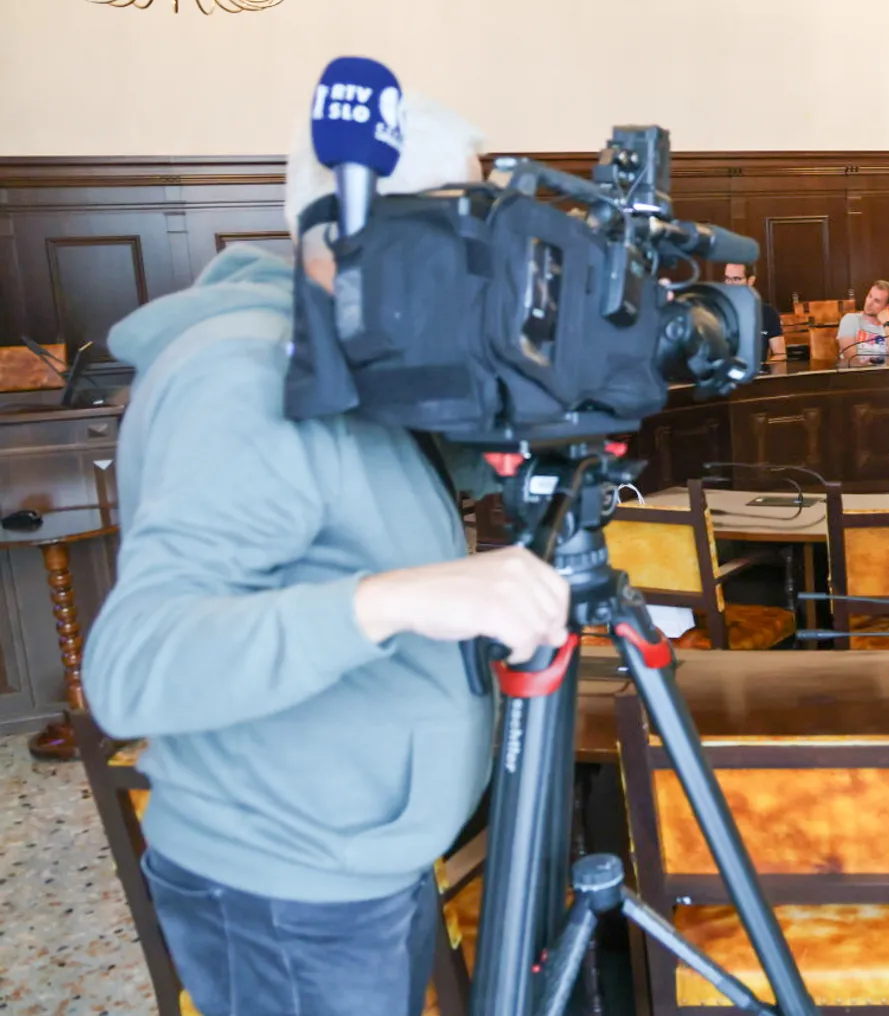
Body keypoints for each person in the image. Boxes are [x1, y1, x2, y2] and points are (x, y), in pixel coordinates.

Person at [80, 94, 573, 1016]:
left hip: (357, 851)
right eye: (462, 226)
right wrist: (399, 599)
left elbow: (353, 494)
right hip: (286, 886)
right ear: (356, 226)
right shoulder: (242, 376)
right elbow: (133, 665)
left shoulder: (352, 350)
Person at [723, 262, 786, 361]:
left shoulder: (767, 313)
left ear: (750, 281)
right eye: (727, 278)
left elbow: (780, 354)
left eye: (736, 279)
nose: (730, 284)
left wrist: (764, 368)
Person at [836, 279, 889, 357]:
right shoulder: (850, 320)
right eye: (870, 296)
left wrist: (887, 324)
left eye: (877, 301)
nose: (869, 303)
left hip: (884, 365)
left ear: (888, 306)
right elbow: (850, 356)